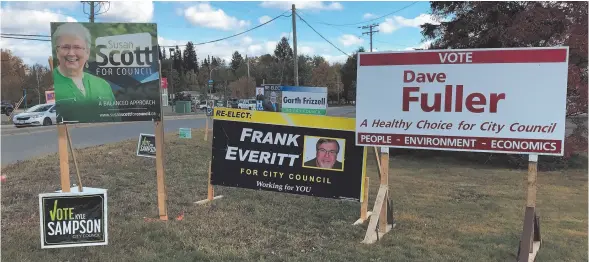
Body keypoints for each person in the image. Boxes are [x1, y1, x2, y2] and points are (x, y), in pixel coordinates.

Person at [52, 22, 119, 123]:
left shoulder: (103, 85)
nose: (71, 53)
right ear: (57, 51)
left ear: (87, 52)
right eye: (65, 47)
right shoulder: (49, 83)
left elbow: (117, 122)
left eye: (77, 47)